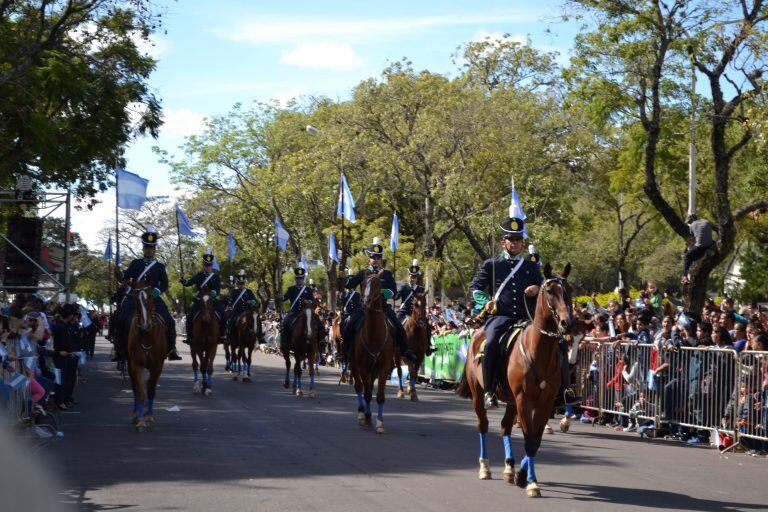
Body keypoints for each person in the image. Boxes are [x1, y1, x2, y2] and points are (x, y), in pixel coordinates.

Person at [469, 216, 542, 409]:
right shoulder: (492, 264)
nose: (515, 243)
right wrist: (486, 302)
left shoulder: (530, 266)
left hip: (526, 317)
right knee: (491, 343)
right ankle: (490, 391)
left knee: (554, 344)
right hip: (500, 316)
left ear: (522, 244)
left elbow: (544, 289)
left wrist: (536, 288)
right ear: (504, 242)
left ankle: (562, 392)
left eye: (518, 240)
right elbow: (475, 287)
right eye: (511, 240)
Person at [341, 237, 416, 363]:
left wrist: (380, 292)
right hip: (364, 308)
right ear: (369, 259)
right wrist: (343, 278)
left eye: (378, 257)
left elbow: (394, 292)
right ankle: (345, 352)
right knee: (350, 324)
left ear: (381, 259)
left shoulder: (386, 274)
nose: (376, 260)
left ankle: (405, 350)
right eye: (373, 257)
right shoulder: (363, 272)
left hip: (382, 308)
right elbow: (350, 283)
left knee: (398, 326)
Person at [117, 226, 181, 360]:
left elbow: (164, 283)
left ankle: (171, 349)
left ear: (155, 249)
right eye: (147, 247)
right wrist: (119, 274)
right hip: (136, 297)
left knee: (169, 321)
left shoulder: (160, 267)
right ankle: (120, 348)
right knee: (121, 317)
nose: (149, 250)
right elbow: (126, 276)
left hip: (153, 297)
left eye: (152, 248)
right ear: (143, 248)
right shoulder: (136, 263)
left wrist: (157, 291)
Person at [181, 248, 226, 344]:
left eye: (209, 265)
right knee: (189, 316)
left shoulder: (215, 277)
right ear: (203, 265)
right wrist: (183, 280)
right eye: (206, 265)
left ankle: (222, 335)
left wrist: (214, 293)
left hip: (212, 300)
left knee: (223, 314)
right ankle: (190, 337)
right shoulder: (199, 275)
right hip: (199, 300)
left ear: (212, 266)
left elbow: (217, 289)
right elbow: (189, 283)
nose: (207, 267)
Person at [280, 266, 325, 353]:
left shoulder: (308, 290)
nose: (299, 280)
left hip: (307, 312)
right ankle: (284, 344)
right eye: (298, 278)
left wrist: (311, 301)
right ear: (295, 279)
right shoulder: (291, 289)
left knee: (319, 324)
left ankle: (321, 342)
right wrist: (280, 297)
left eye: (301, 278)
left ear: (303, 278)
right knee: (284, 323)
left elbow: (312, 300)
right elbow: (284, 297)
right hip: (294, 313)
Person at [394, 259, 435, 355]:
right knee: (395, 324)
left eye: (415, 277)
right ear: (408, 276)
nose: (412, 279)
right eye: (411, 277)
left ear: (417, 278)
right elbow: (396, 297)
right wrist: (394, 294)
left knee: (427, 326)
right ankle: (395, 345)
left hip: (417, 313)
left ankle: (428, 346)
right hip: (404, 312)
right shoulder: (404, 287)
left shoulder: (420, 288)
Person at [681, 214, 719, 284]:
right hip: (711, 244)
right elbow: (718, 229)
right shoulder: (707, 222)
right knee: (697, 257)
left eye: (689, 222)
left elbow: (693, 236)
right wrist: (719, 240)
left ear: (692, 220)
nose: (689, 223)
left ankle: (684, 277)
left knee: (687, 256)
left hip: (700, 247)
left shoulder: (692, 226)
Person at [226, 270, 259, 336]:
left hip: (247, 312)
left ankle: (260, 336)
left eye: (242, 283)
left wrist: (253, 302)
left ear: (245, 283)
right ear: (237, 284)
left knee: (257, 320)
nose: (241, 285)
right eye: (240, 283)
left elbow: (255, 301)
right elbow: (231, 302)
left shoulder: (249, 291)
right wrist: (230, 305)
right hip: (237, 312)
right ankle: (229, 336)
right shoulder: (234, 292)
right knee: (232, 321)